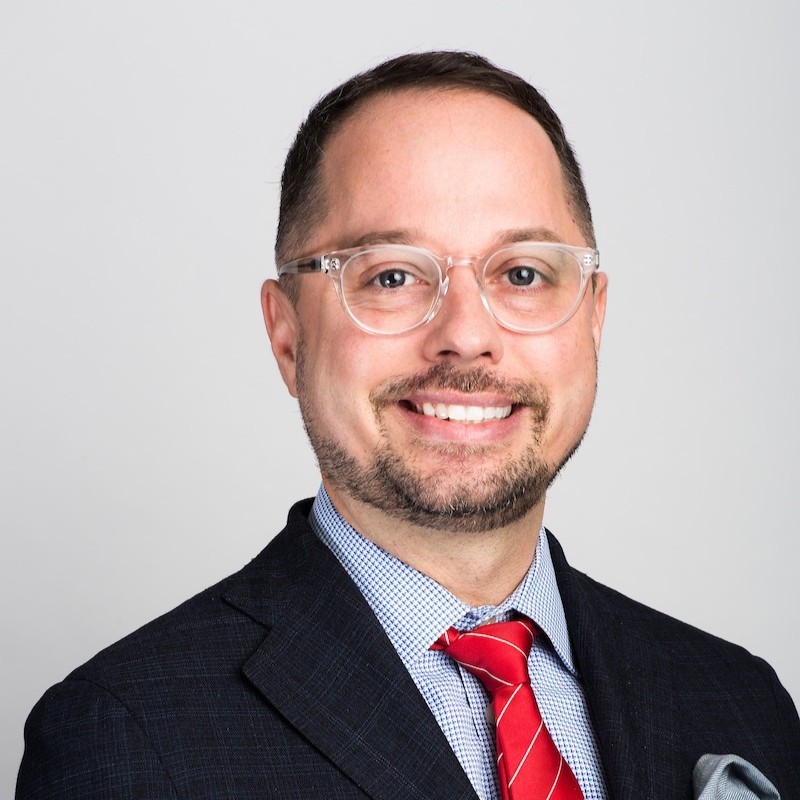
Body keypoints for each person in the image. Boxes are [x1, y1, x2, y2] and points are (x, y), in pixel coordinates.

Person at [16, 51, 800, 800]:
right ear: (287, 336)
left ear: (593, 320)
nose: (465, 333)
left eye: (522, 273)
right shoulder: (128, 733)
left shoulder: (739, 701)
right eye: (391, 275)